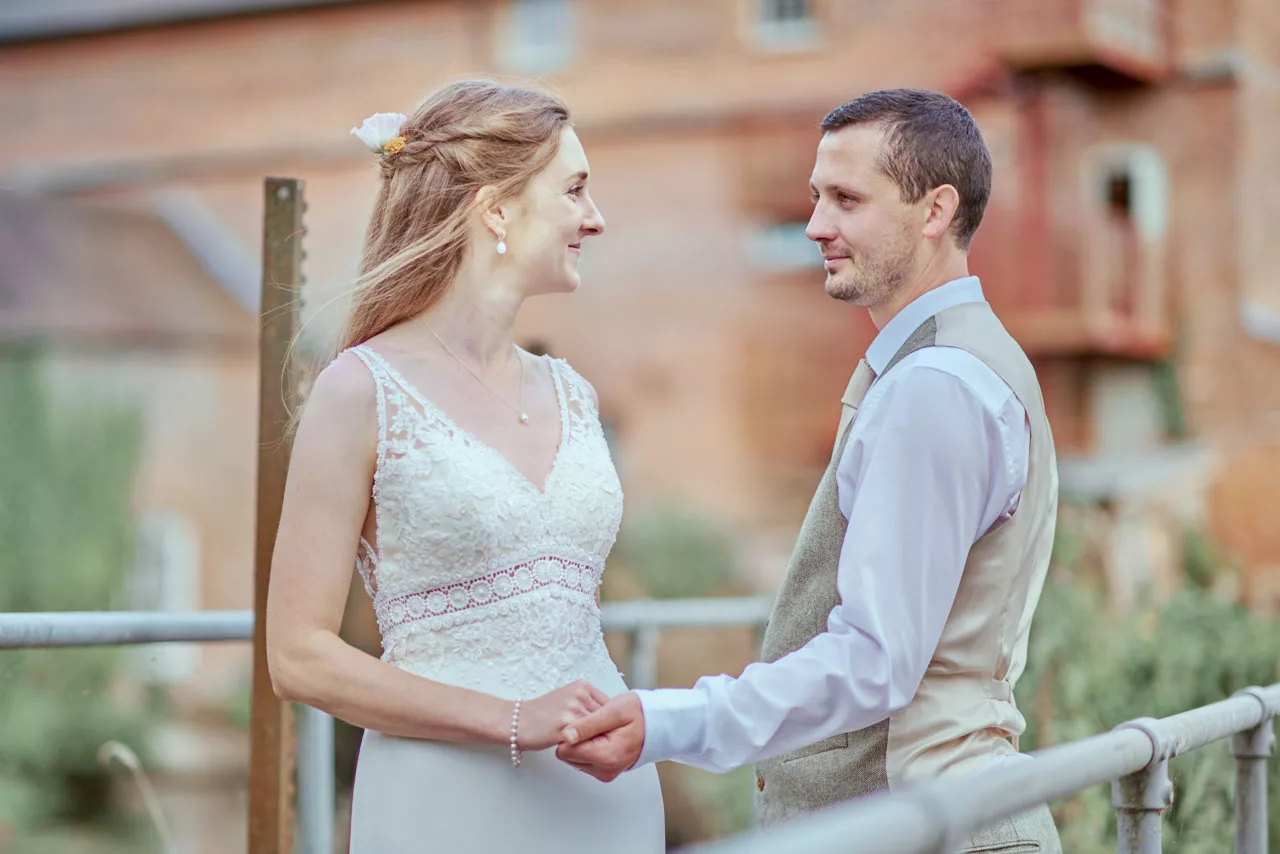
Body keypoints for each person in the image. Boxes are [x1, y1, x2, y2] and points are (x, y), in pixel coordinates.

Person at [557, 89, 1063, 852]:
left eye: (847, 200)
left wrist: (670, 720)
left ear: (935, 211)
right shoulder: (967, 360)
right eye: (816, 197)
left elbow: (874, 661)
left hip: (928, 826)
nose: (816, 225)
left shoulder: (934, 386)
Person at [265, 79, 664, 853]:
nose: (597, 217)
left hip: (605, 799)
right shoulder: (359, 390)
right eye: (575, 189)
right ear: (496, 211)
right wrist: (515, 721)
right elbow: (297, 656)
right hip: (445, 803)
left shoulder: (573, 393)